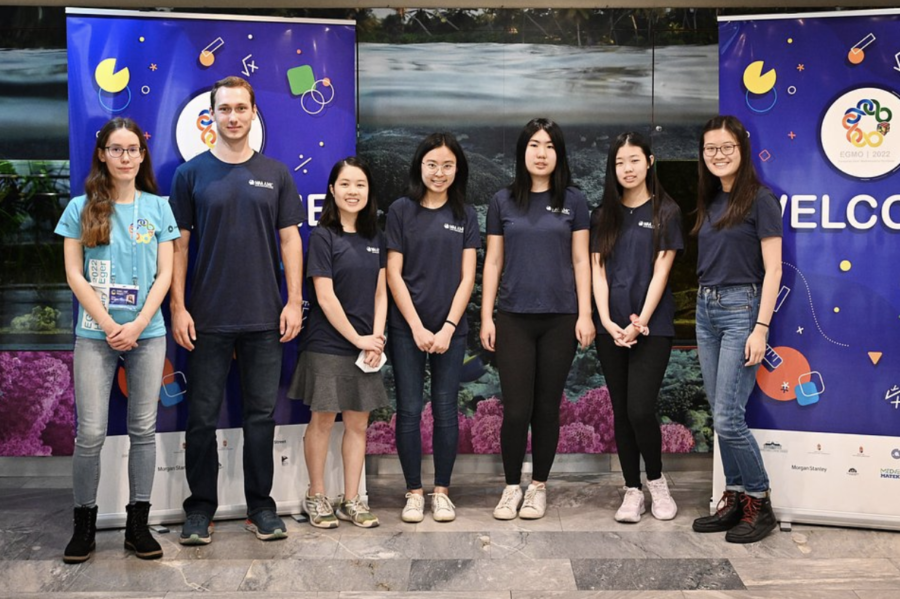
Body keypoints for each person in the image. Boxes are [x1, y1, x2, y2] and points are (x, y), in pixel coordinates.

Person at [169, 76, 305, 544]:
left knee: (260, 418)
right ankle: (199, 510)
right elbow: (179, 248)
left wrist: (292, 300)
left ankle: (261, 508)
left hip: (265, 318)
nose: (232, 117)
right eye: (224, 109)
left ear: (252, 114)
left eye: (240, 109)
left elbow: (290, 240)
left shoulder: (277, 173)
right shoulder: (190, 175)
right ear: (211, 117)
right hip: (205, 318)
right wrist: (178, 306)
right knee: (201, 418)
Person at [56, 117, 178, 563]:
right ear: (102, 154)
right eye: (116, 149)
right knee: (89, 434)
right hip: (94, 335)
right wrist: (109, 324)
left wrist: (140, 321)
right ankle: (84, 525)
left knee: (143, 430)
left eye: (133, 150)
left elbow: (165, 273)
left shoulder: (159, 208)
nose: (125, 157)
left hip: (148, 334)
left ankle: (137, 526)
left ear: (143, 156)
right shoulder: (80, 208)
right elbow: (74, 274)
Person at [481, 118, 595, 520]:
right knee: (515, 410)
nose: (541, 152)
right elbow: (493, 261)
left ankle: (538, 487)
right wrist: (487, 316)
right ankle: (511, 486)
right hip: (513, 316)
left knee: (547, 408)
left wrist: (586, 313)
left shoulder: (576, 201)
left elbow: (582, 259)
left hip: (561, 318)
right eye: (534, 145)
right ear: (522, 152)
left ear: (558, 154)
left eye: (549, 145)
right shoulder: (502, 201)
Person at [690, 115, 782, 544]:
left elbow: (774, 268)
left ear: (741, 149)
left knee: (728, 418)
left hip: (742, 309)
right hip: (706, 310)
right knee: (720, 413)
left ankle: (759, 503)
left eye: (726, 147)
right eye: (710, 148)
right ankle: (735, 496)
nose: (718, 155)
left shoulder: (761, 200)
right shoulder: (709, 200)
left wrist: (761, 327)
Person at [288, 156, 388, 529]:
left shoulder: (376, 238)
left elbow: (382, 293)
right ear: (332, 189)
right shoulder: (323, 236)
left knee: (359, 425)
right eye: (345, 184)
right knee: (324, 420)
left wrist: (375, 338)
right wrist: (358, 338)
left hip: (366, 347)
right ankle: (316, 496)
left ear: (368, 191)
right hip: (328, 344)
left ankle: (352, 499)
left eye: (360, 184)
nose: (353, 191)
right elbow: (325, 297)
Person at [385, 133, 480, 523]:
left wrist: (447, 327)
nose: (439, 173)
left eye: (447, 165)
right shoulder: (400, 210)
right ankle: (413, 492)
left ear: (457, 170)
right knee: (408, 410)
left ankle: (441, 491)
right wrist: (418, 327)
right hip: (408, 329)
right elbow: (393, 273)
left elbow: (468, 277)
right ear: (419, 166)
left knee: (445, 410)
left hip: (450, 331)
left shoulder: (465, 214)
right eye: (432, 164)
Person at [590, 132, 683, 523]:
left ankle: (657, 482)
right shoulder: (603, 215)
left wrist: (641, 321)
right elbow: (597, 271)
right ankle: (632, 491)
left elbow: (662, 269)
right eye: (619, 163)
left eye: (633, 160)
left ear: (650, 161)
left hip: (652, 327)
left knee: (640, 408)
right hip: (612, 330)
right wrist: (608, 322)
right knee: (621, 411)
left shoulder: (666, 210)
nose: (627, 169)